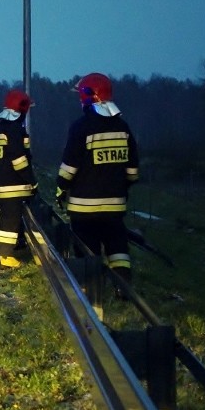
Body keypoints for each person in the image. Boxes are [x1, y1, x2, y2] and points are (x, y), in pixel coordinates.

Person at [56, 72, 139, 294]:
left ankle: (92, 291)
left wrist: (60, 188)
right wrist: (120, 188)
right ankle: (123, 288)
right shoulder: (123, 127)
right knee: (118, 247)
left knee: (87, 249)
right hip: (115, 206)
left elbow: (69, 167)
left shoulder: (81, 127)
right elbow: (132, 171)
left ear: (87, 96)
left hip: (84, 207)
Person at [0, 88, 37, 268]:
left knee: (8, 218)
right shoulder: (15, 130)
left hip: (2, 183)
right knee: (11, 220)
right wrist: (32, 181)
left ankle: (6, 253)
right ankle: (5, 255)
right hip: (16, 184)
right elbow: (20, 161)